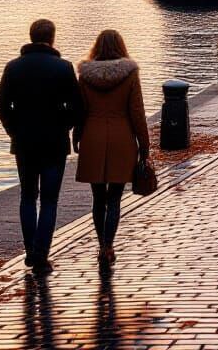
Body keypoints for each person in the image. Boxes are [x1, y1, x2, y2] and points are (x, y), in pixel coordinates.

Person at [0, 18, 83, 276]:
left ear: (31, 36)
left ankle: (30, 249)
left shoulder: (13, 67)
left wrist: (13, 128)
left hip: (24, 142)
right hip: (54, 142)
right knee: (49, 199)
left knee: (27, 196)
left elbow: (1, 103)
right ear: (52, 38)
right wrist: (65, 125)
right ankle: (41, 254)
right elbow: (77, 106)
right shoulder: (63, 68)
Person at [74, 29, 150, 275]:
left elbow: (81, 111)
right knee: (115, 197)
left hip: (93, 137)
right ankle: (108, 246)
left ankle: (101, 245)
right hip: (121, 138)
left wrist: (77, 135)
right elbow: (137, 112)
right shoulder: (129, 74)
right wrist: (144, 144)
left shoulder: (85, 76)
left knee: (98, 198)